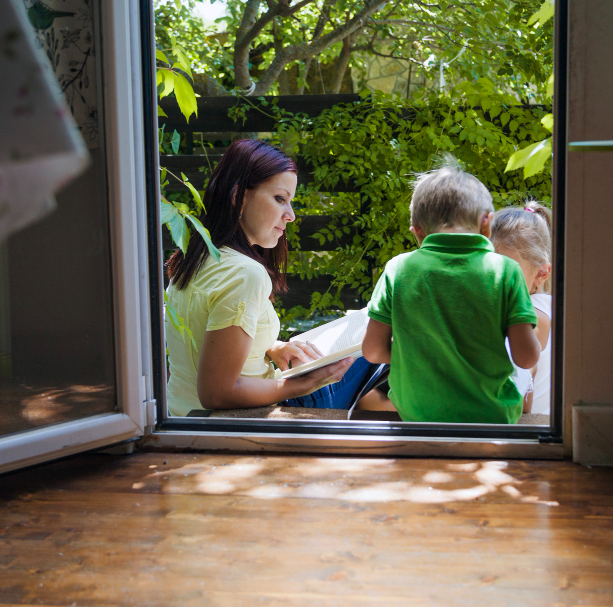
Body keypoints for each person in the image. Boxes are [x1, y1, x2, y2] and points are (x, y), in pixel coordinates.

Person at [164, 139, 383, 417]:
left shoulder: (192, 257)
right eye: (280, 199)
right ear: (238, 197)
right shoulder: (245, 274)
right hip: (247, 416)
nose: (290, 215)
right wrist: (304, 384)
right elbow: (216, 392)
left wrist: (273, 347)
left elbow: (208, 331)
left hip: (181, 415)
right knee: (384, 334)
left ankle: (374, 406)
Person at [361, 159, 540, 423]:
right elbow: (526, 358)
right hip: (492, 418)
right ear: (487, 224)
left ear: (417, 232)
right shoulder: (506, 271)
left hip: (417, 416)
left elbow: (373, 351)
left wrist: (417, 352)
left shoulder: (398, 269)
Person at [491, 200, 553, 415]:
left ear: (541, 273)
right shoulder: (550, 305)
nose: (493, 282)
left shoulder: (530, 316)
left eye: (508, 273)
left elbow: (515, 402)